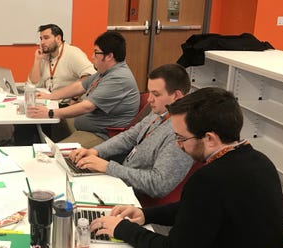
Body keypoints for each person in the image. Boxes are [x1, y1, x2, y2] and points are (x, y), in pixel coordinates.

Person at [90, 87, 283, 248]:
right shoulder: (261, 162)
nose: (178, 145)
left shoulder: (208, 179)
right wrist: (146, 215)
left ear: (210, 139)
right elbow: (198, 211)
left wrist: (123, 229)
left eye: (182, 138)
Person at [68, 64, 194, 199]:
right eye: (150, 92)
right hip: (121, 181)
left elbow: (158, 184)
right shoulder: (161, 111)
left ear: (176, 96)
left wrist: (108, 167)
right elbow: (129, 136)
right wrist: (96, 151)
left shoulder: (182, 133)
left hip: (136, 199)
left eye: (156, 94)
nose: (150, 99)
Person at [26, 31, 140, 148]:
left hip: (102, 135)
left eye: (96, 53)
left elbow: (87, 106)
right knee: (48, 126)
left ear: (109, 56)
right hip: (88, 125)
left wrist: (50, 113)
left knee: (54, 153)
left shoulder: (118, 78)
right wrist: (51, 96)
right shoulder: (106, 72)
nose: (92, 56)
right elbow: (80, 86)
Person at [14, 23, 96, 145]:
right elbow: (33, 83)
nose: (42, 42)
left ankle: (37, 146)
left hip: (65, 103)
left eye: (46, 38)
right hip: (51, 100)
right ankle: (25, 147)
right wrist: (37, 60)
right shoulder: (45, 56)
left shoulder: (73, 53)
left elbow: (90, 76)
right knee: (25, 117)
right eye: (41, 39)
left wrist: (74, 97)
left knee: (33, 119)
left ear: (58, 39)